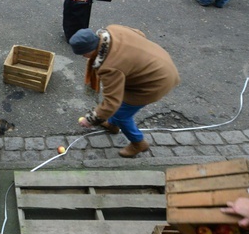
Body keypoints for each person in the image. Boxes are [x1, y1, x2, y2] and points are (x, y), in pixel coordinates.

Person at [71, 26, 180, 158]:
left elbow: (112, 102)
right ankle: (112, 125)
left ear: (91, 50)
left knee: (121, 115)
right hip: (161, 60)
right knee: (118, 111)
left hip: (154, 83)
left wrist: (91, 120)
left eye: (83, 54)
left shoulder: (109, 67)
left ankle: (138, 143)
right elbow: (140, 33)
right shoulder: (113, 29)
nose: (83, 57)